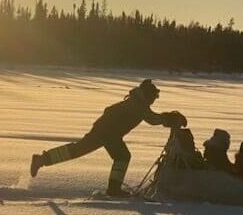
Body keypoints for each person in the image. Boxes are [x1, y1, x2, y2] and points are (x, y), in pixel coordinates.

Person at [28, 79, 187, 197]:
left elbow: (151, 116)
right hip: (108, 132)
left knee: (78, 150)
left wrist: (169, 118)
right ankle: (114, 189)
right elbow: (152, 119)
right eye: (153, 97)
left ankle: (42, 159)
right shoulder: (137, 104)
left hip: (106, 131)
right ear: (147, 94)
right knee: (122, 156)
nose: (153, 100)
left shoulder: (138, 101)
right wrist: (171, 118)